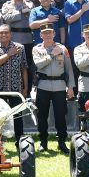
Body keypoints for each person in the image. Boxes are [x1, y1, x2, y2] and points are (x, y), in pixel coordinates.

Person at [32, 23, 75, 154]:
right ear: (41, 35)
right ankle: (43, 141)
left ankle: (61, 141)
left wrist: (71, 87)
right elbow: (38, 64)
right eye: (44, 33)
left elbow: (69, 69)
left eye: (50, 32)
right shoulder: (37, 49)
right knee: (42, 115)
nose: (47, 35)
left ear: (54, 34)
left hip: (59, 86)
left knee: (60, 115)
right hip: (43, 85)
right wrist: (51, 55)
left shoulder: (62, 48)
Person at [0, 24, 29, 142]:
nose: (3, 35)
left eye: (6, 32)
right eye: (1, 32)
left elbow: (24, 68)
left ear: (11, 34)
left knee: (17, 117)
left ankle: (20, 142)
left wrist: (25, 88)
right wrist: (9, 54)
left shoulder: (20, 47)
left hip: (15, 89)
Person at [2, 0, 35, 82]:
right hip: (14, 38)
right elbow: (6, 18)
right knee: (13, 64)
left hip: (28, 38)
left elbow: (33, 18)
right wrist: (20, 13)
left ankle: (27, 90)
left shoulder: (29, 4)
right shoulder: (7, 5)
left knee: (27, 65)